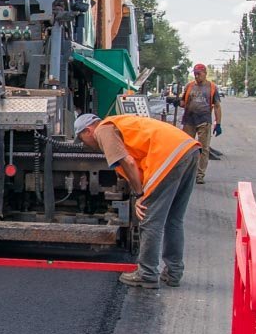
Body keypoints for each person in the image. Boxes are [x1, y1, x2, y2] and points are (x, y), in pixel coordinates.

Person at [74, 113, 200, 289]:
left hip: (168, 155)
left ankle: (147, 274)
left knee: (149, 220)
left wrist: (140, 195)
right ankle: (174, 273)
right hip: (188, 149)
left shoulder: (103, 130)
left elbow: (129, 162)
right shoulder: (118, 124)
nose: (84, 144)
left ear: (88, 131)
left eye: (82, 139)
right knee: (174, 219)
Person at [170, 64, 222, 184]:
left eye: (199, 74)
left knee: (204, 149)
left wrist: (218, 123)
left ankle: (200, 175)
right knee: (186, 148)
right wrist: (176, 101)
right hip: (189, 120)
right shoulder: (189, 86)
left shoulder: (212, 87)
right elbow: (184, 103)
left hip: (204, 121)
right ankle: (185, 173)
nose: (196, 76)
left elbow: (217, 106)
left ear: (205, 73)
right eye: (195, 74)